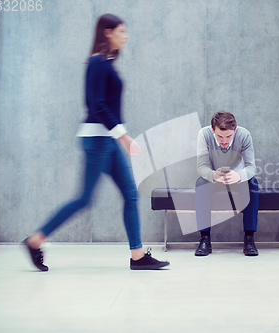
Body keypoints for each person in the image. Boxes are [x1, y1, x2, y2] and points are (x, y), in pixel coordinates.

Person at [21, 14, 169, 271]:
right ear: (108, 32)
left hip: (106, 139)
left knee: (130, 194)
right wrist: (123, 136)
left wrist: (117, 136)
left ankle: (137, 256)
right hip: (98, 139)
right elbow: (96, 105)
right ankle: (35, 240)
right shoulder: (97, 63)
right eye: (121, 30)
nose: (126, 35)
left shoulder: (107, 63)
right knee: (84, 199)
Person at [194, 111, 259, 256]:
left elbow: (251, 167)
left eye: (229, 136)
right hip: (216, 177)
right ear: (213, 130)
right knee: (200, 184)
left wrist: (239, 175)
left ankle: (249, 238)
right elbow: (201, 166)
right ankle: (205, 238)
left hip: (237, 178)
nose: (224, 141)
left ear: (234, 130)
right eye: (219, 136)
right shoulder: (204, 134)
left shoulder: (244, 135)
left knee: (253, 184)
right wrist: (213, 175)